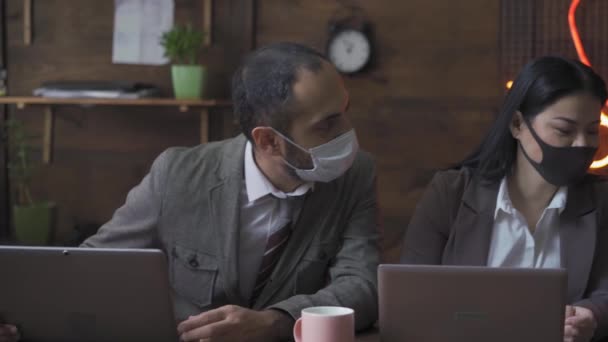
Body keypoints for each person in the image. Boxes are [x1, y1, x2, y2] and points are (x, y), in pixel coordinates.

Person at [0, 42, 380, 342]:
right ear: (269, 141)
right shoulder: (178, 174)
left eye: (344, 110)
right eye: (328, 124)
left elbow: (361, 287)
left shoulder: (355, 174)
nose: (348, 131)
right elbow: (88, 269)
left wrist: (274, 322)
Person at [401, 56, 608, 342]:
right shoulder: (451, 194)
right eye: (564, 130)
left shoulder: (601, 201)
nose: (583, 144)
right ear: (517, 124)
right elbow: (410, 294)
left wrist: (590, 315)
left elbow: (605, 290)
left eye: (592, 131)